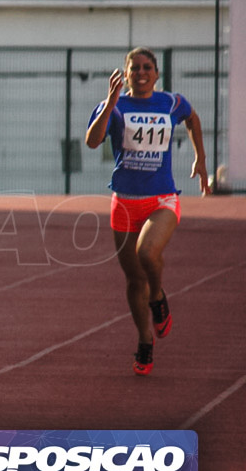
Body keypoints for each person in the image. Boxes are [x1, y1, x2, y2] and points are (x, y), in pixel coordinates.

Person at [85, 47, 210, 376]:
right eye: (134, 68)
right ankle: (145, 341)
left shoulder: (171, 103)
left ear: (156, 73)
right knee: (133, 279)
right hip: (125, 201)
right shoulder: (114, 106)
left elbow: (193, 118)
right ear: (125, 74)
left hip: (162, 199)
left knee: (148, 253)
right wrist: (111, 101)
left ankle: (158, 296)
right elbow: (92, 141)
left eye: (147, 67)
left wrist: (201, 158)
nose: (141, 72)